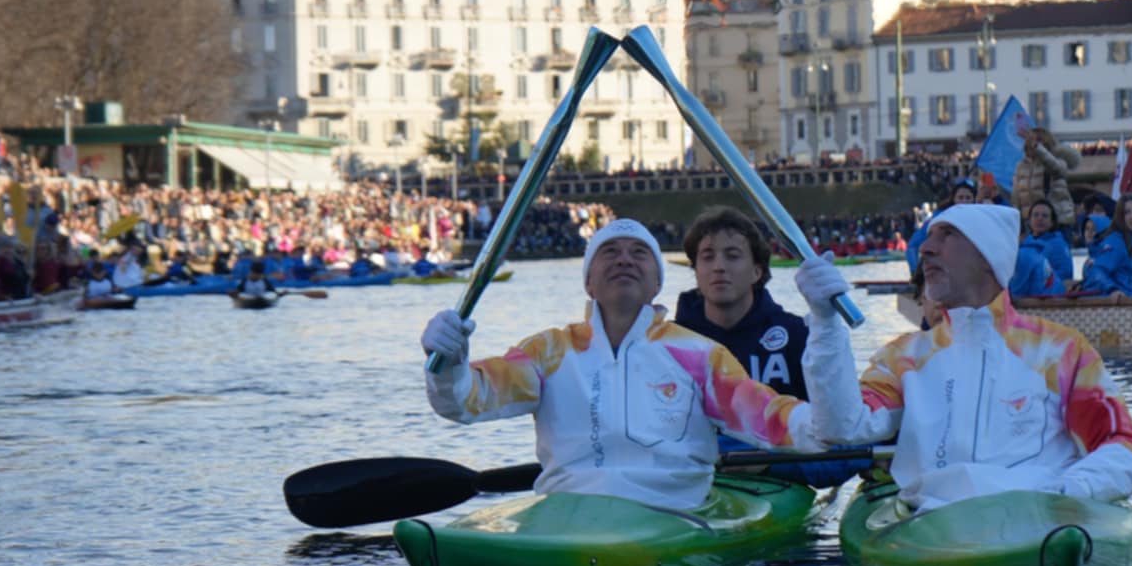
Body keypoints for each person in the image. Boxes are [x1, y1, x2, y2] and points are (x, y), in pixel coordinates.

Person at [419, 218, 828, 511]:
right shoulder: (548, 351)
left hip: (671, 512)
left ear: (656, 284)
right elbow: (465, 401)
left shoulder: (699, 355)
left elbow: (778, 420)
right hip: (568, 511)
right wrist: (449, 364)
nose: (624, 260)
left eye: (639, 254)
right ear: (589, 282)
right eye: (610, 252)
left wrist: (833, 409)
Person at [793, 204, 1132, 513]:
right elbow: (842, 428)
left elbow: (1127, 448)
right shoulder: (904, 357)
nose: (926, 249)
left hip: (1041, 522)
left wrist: (1067, 492)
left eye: (947, 235)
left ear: (987, 257)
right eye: (929, 237)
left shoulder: (1061, 351)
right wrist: (826, 325)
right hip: (934, 527)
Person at [672, 207, 809, 397]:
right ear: (696, 271)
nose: (719, 267)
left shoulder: (798, 336)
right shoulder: (670, 343)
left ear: (757, 271)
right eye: (708, 257)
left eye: (732, 256)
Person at [1011, 127, 1079, 236]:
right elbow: (1017, 195)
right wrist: (1017, 219)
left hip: (1058, 218)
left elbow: (1056, 169)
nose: (1033, 143)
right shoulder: (1022, 166)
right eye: (1031, 139)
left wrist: (1039, 149)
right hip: (1031, 221)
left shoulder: (1058, 159)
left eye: (1038, 140)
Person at [906, 179, 977, 273]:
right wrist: (915, 271)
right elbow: (913, 245)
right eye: (960, 198)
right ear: (953, 199)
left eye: (968, 198)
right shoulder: (940, 217)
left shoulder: (982, 217)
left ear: (974, 200)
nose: (964, 202)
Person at [1021, 200, 1076, 290]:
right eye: (1036, 215)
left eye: (1045, 216)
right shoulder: (1025, 243)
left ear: (1052, 222)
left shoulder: (1057, 245)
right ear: (1029, 220)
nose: (1040, 219)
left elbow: (1065, 273)